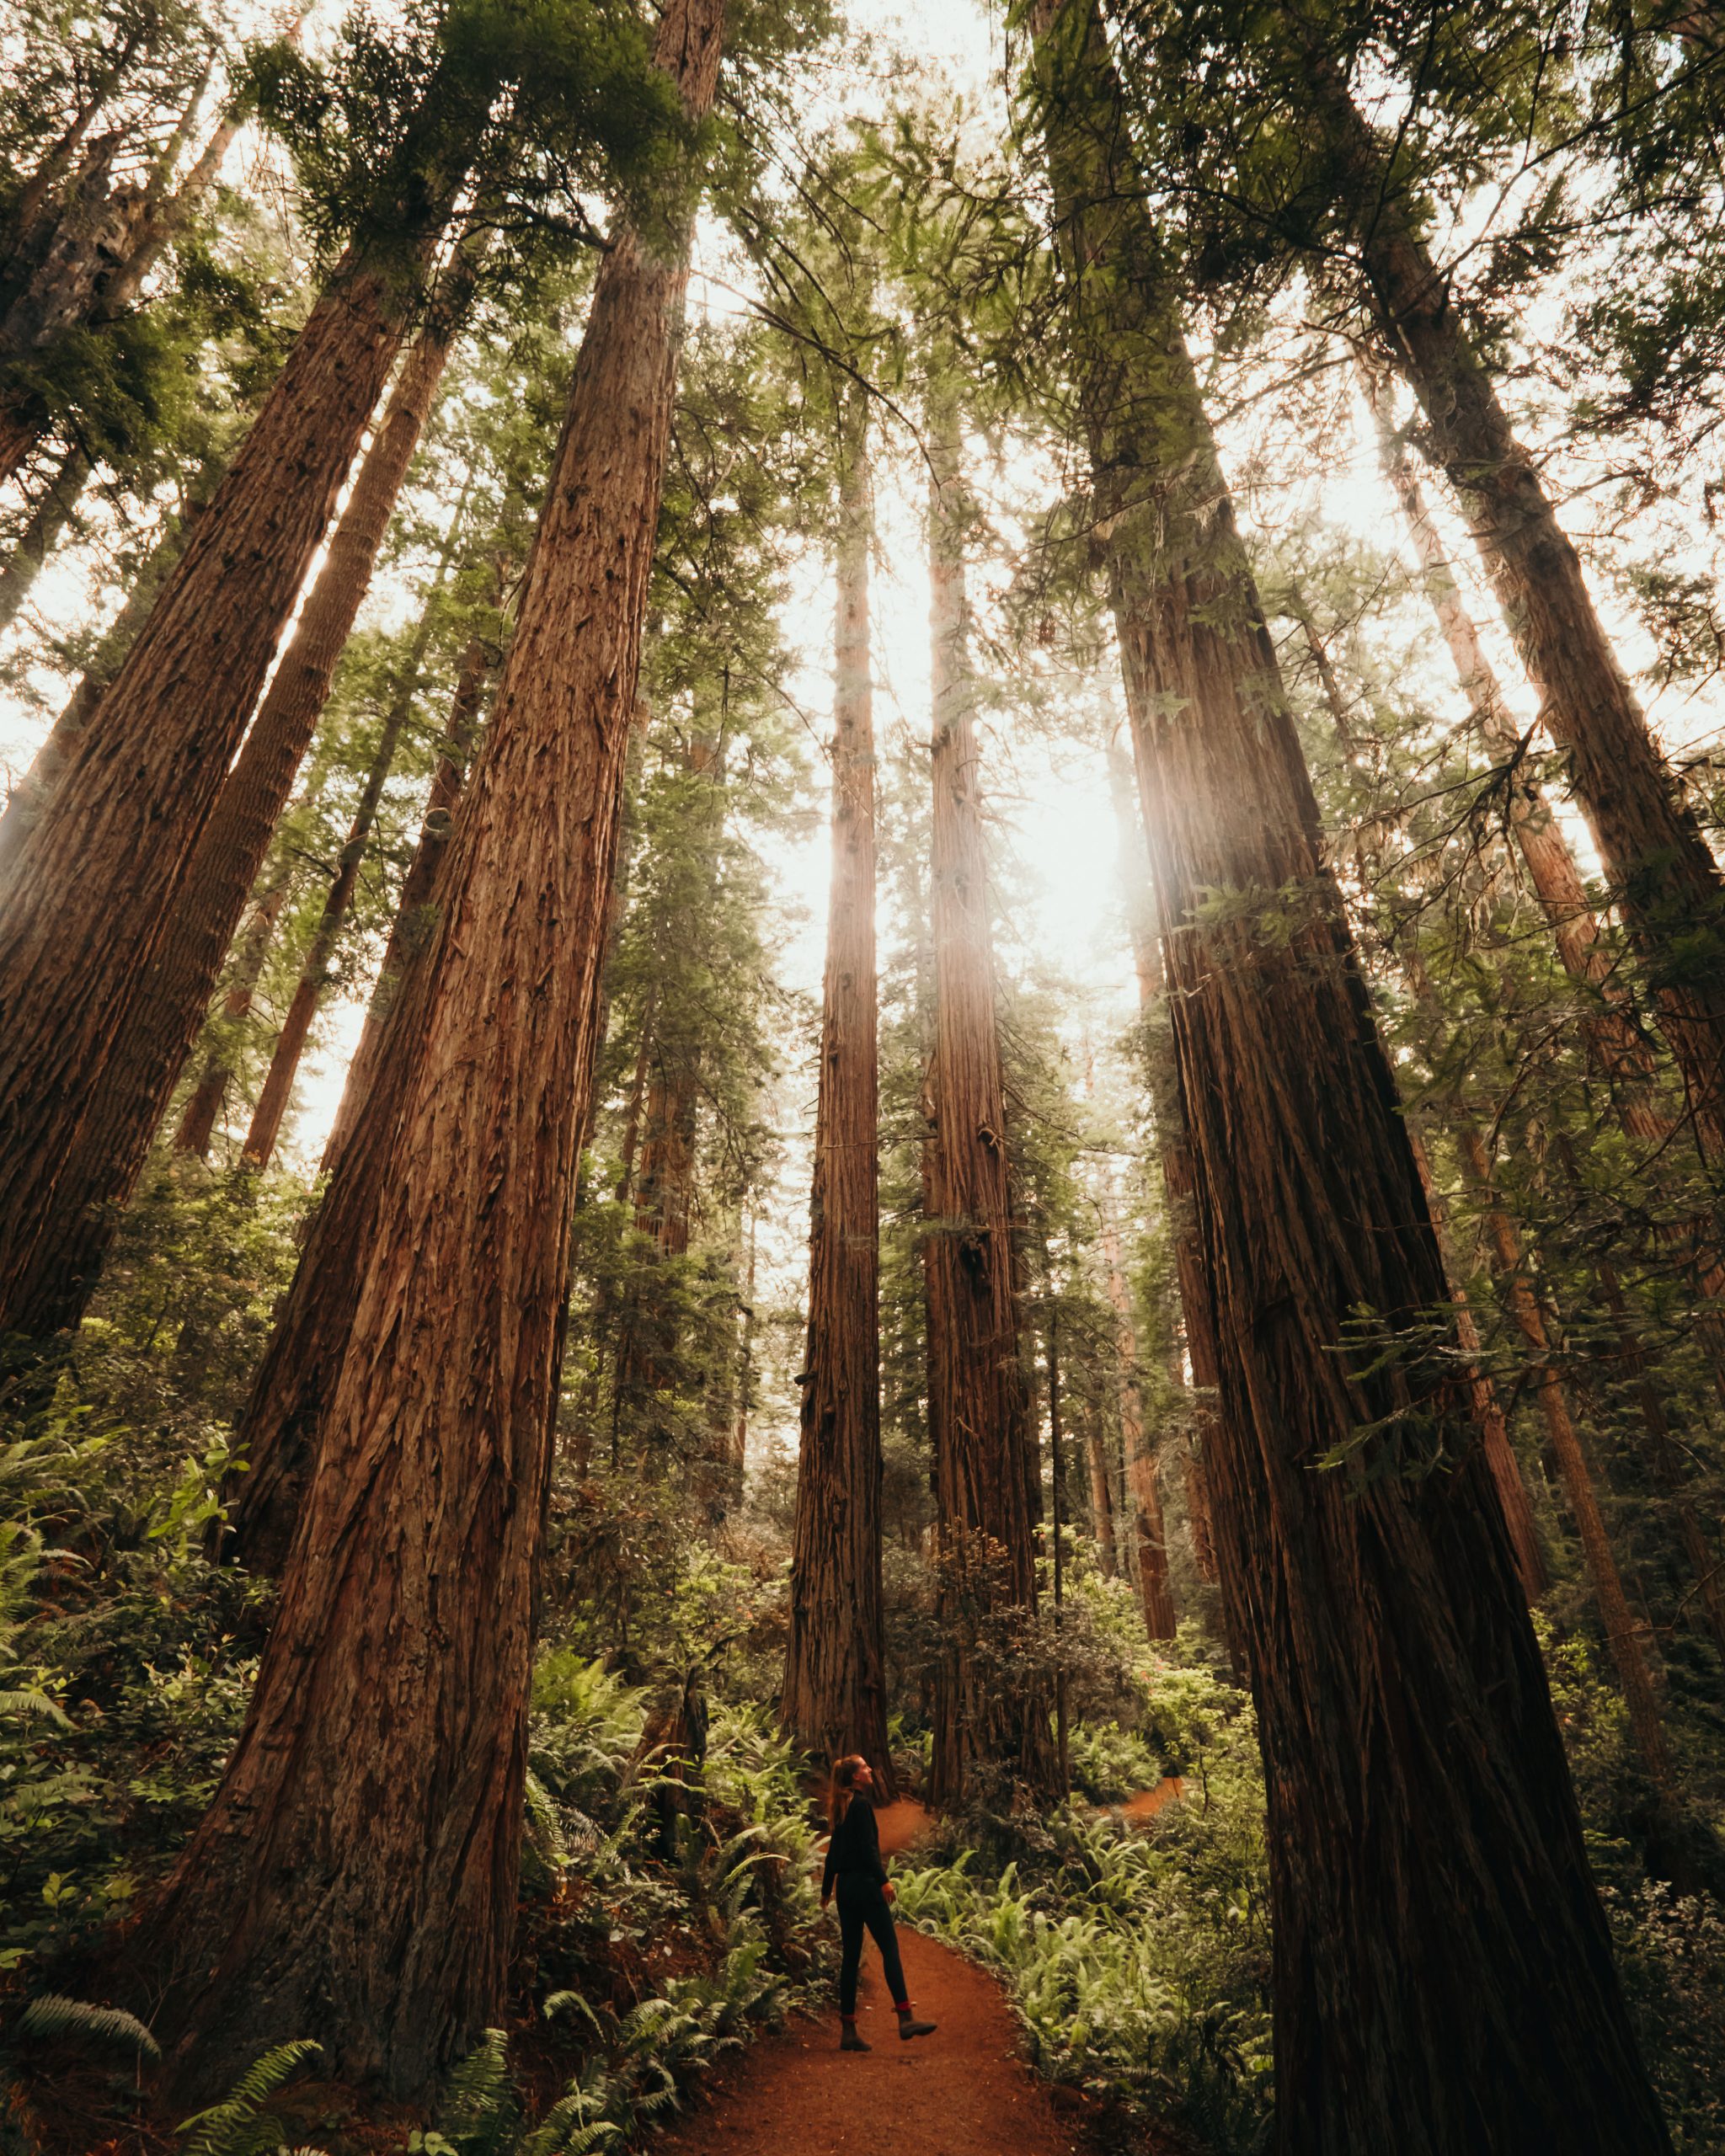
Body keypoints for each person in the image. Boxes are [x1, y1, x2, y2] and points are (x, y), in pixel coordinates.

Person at [820, 1753, 937, 2052]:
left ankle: (848, 2030)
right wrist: (883, 1880)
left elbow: (834, 1852)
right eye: (865, 1767)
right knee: (890, 1948)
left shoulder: (840, 1808)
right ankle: (905, 2017)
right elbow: (869, 1849)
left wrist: (826, 1889)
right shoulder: (860, 1806)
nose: (870, 1770)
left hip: (845, 1889)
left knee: (851, 1956)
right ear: (856, 1777)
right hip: (866, 1886)